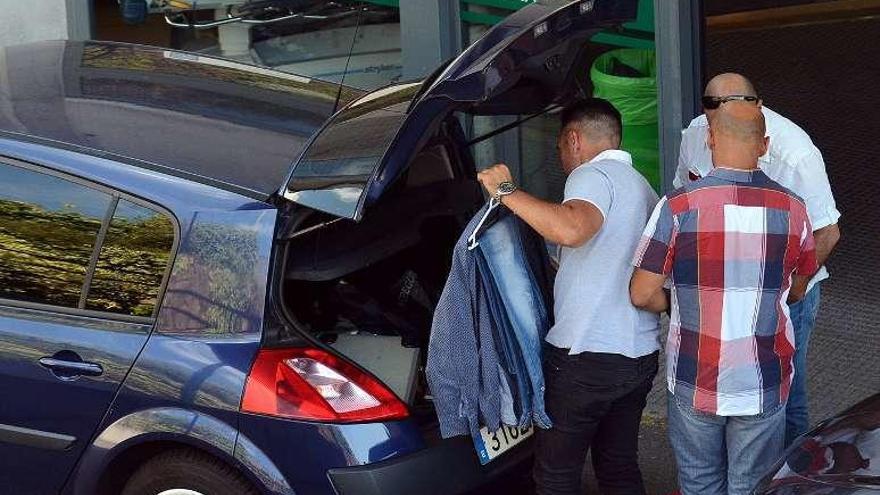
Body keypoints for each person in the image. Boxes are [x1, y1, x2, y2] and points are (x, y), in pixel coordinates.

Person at [631, 103, 819, 494]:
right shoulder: (794, 209)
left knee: (699, 482)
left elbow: (641, 292)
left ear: (710, 139)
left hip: (694, 375)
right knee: (751, 485)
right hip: (763, 379)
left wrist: (679, 303)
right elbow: (800, 285)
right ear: (764, 145)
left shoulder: (678, 207)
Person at [477, 98, 661, 495]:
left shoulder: (592, 175)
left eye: (560, 146)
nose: (560, 157)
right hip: (638, 355)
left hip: (586, 356)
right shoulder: (643, 188)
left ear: (574, 139)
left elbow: (573, 229)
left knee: (557, 475)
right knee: (618, 466)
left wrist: (505, 190)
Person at [676, 73, 841, 445]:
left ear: (759, 105)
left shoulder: (796, 153)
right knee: (716, 387)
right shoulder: (695, 135)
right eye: (714, 110)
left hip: (783, 291)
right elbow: (683, 194)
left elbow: (827, 231)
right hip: (719, 286)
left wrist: (792, 290)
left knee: (787, 394)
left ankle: (791, 476)